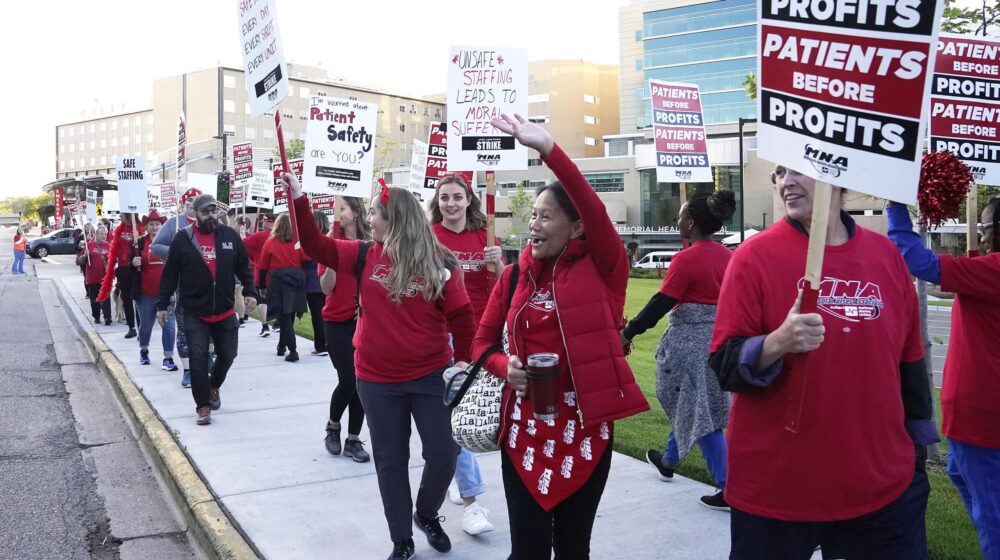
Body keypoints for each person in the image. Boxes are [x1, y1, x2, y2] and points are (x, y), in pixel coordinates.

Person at [709, 166, 937, 559]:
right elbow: (724, 366)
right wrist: (777, 342)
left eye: (800, 170)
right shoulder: (752, 257)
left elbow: (910, 360)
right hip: (778, 488)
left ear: (840, 175)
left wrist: (915, 456)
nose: (785, 183)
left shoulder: (885, 256)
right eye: (779, 173)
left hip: (882, 488)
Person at [472, 114, 649, 559]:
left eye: (546, 216)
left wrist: (550, 150)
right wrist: (503, 368)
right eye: (532, 215)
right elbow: (481, 345)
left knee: (573, 551)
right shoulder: (513, 277)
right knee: (527, 552)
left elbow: (594, 207)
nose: (533, 224)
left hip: (584, 433)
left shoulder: (606, 270)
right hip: (523, 433)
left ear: (576, 227)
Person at [286, 174, 474, 560]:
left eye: (373, 212)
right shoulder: (362, 254)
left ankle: (426, 514)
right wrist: (300, 199)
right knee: (391, 461)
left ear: (395, 217)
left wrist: (464, 362)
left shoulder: (441, 261)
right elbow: (317, 245)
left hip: (430, 376)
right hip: (376, 379)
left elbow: (461, 316)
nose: (368, 218)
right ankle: (401, 540)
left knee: (443, 453)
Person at [887, 197, 1000, 560]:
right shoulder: (986, 273)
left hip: (980, 419)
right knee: (960, 476)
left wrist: (895, 207)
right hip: (980, 417)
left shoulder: (993, 271)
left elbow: (915, 260)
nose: (980, 236)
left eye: (984, 228)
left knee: (992, 518)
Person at [622, 191, 736, 510]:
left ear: (691, 222)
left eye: (680, 215)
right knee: (692, 400)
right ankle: (669, 460)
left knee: (701, 410)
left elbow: (662, 302)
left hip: (689, 343)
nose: (677, 221)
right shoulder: (728, 256)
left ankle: (728, 486)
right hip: (719, 339)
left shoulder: (687, 258)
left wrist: (629, 332)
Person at [429, 174, 503, 535]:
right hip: (445, 337)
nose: (451, 204)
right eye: (445, 198)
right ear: (437, 201)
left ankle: (460, 478)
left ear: (469, 199)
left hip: (483, 337)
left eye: (457, 197)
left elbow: (506, 286)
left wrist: (499, 262)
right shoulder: (428, 238)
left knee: (483, 412)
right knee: (458, 413)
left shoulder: (485, 236)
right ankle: (473, 503)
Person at [157, 194, 257, 426]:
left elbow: (244, 266)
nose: (211, 215)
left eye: (214, 211)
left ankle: (214, 386)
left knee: (228, 354)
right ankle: (203, 405)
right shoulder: (184, 238)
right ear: (196, 214)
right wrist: (162, 304)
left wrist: (251, 291)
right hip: (194, 310)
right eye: (206, 212)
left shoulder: (229, 235)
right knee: (198, 358)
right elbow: (170, 273)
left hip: (224, 309)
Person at [319, 197, 371, 463]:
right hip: (337, 322)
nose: (339, 213)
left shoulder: (370, 241)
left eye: (343, 208)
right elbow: (326, 288)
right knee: (349, 379)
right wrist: (332, 259)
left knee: (362, 382)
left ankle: (353, 438)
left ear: (356, 211)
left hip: (364, 321)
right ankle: (333, 425)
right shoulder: (330, 244)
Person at [152, 188, 203, 386]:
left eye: (196, 200)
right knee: (184, 327)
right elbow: (155, 246)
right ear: (183, 203)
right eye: (189, 200)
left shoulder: (209, 222)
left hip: (209, 286)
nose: (192, 203)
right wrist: (179, 254)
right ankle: (188, 371)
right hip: (182, 284)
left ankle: (205, 360)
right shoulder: (174, 224)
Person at [129, 210, 177, 369]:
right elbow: (129, 266)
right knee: (147, 325)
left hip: (167, 293)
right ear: (146, 226)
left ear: (163, 226)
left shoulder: (172, 242)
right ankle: (144, 350)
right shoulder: (139, 243)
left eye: (157, 224)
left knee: (169, 325)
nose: (155, 227)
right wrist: (133, 262)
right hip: (145, 293)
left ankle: (168, 358)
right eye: (151, 224)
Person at [257, 213, 307, 362]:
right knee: (289, 314)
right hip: (297, 278)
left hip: (278, 279)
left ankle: (293, 350)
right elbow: (306, 257)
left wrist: (261, 285)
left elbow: (263, 265)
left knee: (284, 315)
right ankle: (281, 346)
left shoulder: (271, 242)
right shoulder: (297, 242)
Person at [97, 214, 145, 338]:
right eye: (121, 215)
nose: (121, 217)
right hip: (123, 268)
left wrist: (138, 238)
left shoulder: (139, 228)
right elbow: (115, 248)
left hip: (136, 268)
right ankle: (131, 327)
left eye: (123, 215)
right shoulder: (119, 229)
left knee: (138, 299)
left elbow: (144, 246)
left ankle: (141, 328)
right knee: (126, 299)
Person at [242, 215, 274, 337]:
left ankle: (265, 326)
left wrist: (242, 234)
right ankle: (279, 323)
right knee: (278, 300)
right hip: (278, 273)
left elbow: (244, 243)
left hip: (262, 272)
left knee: (262, 301)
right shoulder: (284, 235)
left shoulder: (260, 236)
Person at [304, 211, 329, 356]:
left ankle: (321, 345)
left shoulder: (312, 240)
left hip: (313, 282)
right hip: (324, 280)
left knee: (318, 315)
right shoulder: (329, 238)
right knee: (325, 314)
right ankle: (325, 343)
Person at [78, 226, 112, 325]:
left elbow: (113, 261)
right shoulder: (89, 245)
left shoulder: (109, 246)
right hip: (92, 278)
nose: (104, 236)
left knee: (106, 298)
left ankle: (107, 317)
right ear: (96, 235)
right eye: (101, 234)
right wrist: (84, 255)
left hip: (105, 278)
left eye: (105, 234)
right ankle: (96, 316)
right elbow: (79, 261)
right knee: (94, 300)